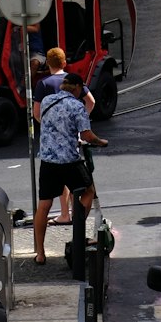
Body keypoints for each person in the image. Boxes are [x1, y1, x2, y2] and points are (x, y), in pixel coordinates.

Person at [33, 73, 107, 264]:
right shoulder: (77, 106)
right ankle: (78, 232)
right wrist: (101, 142)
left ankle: (40, 253)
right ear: (77, 88)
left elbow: (42, 119)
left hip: (48, 161)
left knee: (44, 205)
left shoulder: (48, 100)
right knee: (88, 191)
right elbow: (87, 135)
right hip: (69, 161)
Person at [33, 49, 95, 225]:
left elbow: (37, 113)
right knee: (75, 178)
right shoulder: (73, 80)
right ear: (64, 63)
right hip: (72, 134)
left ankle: (64, 213)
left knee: (58, 178)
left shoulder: (43, 84)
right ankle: (74, 218)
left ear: (48, 64)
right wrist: (81, 119)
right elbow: (91, 101)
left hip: (52, 141)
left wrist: (50, 126)